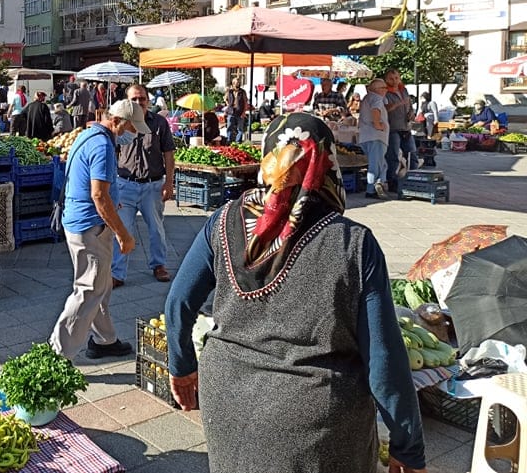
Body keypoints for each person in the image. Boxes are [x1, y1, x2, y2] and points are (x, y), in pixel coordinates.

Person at [164, 113, 427, 473]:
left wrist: (182, 368)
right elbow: (384, 358)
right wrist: (407, 445)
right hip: (316, 421)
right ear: (327, 163)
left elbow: (178, 302)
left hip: (228, 398)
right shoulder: (353, 243)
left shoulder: (224, 220)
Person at [49, 99, 147, 361]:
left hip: (81, 222)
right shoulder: (102, 145)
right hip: (90, 226)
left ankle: (105, 340)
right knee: (89, 289)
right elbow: (99, 196)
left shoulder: (89, 135)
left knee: (100, 286)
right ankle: (58, 354)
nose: (133, 134)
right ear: (115, 121)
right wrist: (123, 234)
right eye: (131, 128)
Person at [111, 84, 176, 287]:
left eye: (142, 99)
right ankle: (117, 273)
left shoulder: (159, 123)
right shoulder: (121, 123)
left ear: (148, 100)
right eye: (134, 99)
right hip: (126, 184)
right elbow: (111, 152)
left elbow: (169, 153)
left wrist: (169, 182)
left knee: (156, 229)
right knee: (122, 229)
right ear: (127, 101)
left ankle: (159, 265)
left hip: (152, 185)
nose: (139, 102)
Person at [384, 68, 416, 194]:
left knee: (412, 154)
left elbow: (410, 106)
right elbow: (384, 109)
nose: (395, 81)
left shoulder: (404, 90)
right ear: (386, 79)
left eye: (396, 78)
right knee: (393, 157)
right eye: (391, 78)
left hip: (406, 127)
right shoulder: (385, 92)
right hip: (393, 128)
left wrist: (411, 113)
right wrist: (398, 104)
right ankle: (392, 182)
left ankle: (414, 179)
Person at [359, 78, 390, 199]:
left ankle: (379, 183)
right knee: (376, 165)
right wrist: (378, 124)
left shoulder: (368, 98)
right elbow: (375, 110)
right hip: (376, 136)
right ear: (376, 89)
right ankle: (371, 189)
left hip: (367, 136)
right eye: (383, 88)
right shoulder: (376, 98)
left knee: (381, 164)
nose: (386, 90)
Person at [224, 76, 248, 143]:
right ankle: (229, 140)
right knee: (229, 127)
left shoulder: (242, 92)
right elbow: (225, 99)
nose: (238, 83)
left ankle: (238, 141)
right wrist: (229, 105)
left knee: (240, 128)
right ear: (233, 83)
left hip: (240, 111)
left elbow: (245, 102)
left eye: (238, 82)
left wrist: (244, 112)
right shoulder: (229, 91)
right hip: (231, 112)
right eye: (236, 82)